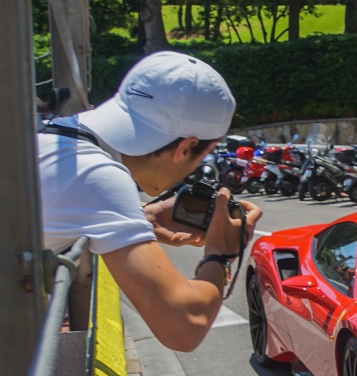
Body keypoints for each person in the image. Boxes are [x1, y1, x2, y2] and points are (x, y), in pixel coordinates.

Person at [38, 51, 262, 352]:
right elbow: (184, 326)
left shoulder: (55, 132)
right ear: (186, 147)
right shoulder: (97, 174)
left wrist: (140, 218)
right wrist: (221, 253)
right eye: (203, 155)